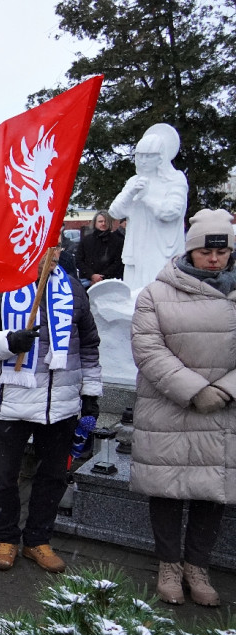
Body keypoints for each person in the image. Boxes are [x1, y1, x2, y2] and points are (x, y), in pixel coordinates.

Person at [0, 250, 102, 573]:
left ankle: (38, 540)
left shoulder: (72, 288)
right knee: (4, 477)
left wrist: (91, 394)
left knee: (53, 477)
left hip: (61, 403)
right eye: (44, 250)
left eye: (56, 249)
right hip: (9, 402)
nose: (52, 257)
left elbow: (88, 345)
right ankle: (6, 538)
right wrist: (9, 342)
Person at [130, 208, 236, 606]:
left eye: (221, 252)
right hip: (170, 407)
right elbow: (147, 348)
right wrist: (193, 389)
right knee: (168, 490)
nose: (213, 259)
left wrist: (225, 390)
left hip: (224, 410)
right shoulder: (156, 293)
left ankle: (198, 565)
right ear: (190, 251)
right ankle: (169, 564)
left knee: (213, 491)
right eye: (206, 252)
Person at [109, 123, 188, 290]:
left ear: (160, 157)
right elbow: (115, 211)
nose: (143, 161)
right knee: (135, 296)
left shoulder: (175, 179)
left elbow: (170, 212)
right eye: (139, 156)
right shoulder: (134, 181)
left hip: (162, 251)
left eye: (148, 156)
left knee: (159, 293)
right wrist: (131, 193)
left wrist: (146, 197)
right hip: (137, 251)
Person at [76, 210, 124, 287]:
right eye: (100, 221)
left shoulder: (118, 241)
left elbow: (118, 262)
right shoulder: (86, 240)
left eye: (105, 221)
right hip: (88, 281)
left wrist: (103, 276)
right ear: (95, 223)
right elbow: (79, 260)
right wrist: (91, 275)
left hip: (110, 281)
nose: (103, 224)